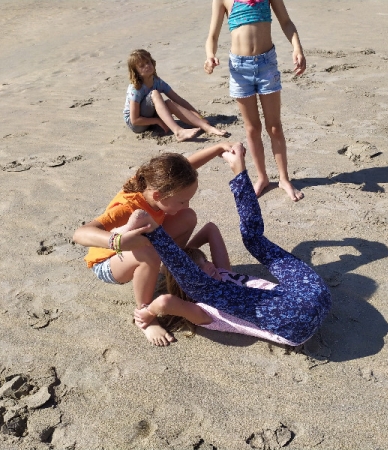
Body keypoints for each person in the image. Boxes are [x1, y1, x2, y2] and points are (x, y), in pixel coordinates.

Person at [125, 144, 331, 346]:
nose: (209, 266)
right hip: (293, 322)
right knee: (202, 287)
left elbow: (211, 230)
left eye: (206, 260)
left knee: (253, 240)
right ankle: (151, 227)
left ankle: (239, 170)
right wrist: (148, 312)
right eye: (200, 268)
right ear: (184, 290)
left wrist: (189, 252)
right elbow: (165, 302)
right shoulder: (204, 310)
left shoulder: (223, 274)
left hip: (314, 292)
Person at [72, 142, 240, 346]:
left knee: (188, 217)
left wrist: (217, 148)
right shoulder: (127, 207)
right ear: (159, 195)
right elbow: (79, 234)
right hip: (108, 262)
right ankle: (144, 317)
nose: (185, 204)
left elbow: (186, 167)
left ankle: (167, 270)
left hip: (142, 243)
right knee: (147, 252)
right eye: (181, 201)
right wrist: (117, 241)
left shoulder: (154, 183)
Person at [204, 0, 306, 201]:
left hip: (266, 64)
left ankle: (284, 179)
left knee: (274, 127)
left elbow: (286, 22)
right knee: (252, 128)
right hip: (239, 69)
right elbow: (212, 35)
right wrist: (210, 56)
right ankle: (262, 177)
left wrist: (297, 47)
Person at [124, 49, 228, 142]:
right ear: (136, 72)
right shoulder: (136, 88)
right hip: (137, 125)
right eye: (142, 66)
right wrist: (157, 120)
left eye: (148, 62)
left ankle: (206, 128)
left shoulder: (157, 81)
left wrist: (199, 116)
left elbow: (179, 100)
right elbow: (135, 120)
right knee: (155, 93)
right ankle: (178, 132)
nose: (147, 66)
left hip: (150, 117)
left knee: (169, 103)